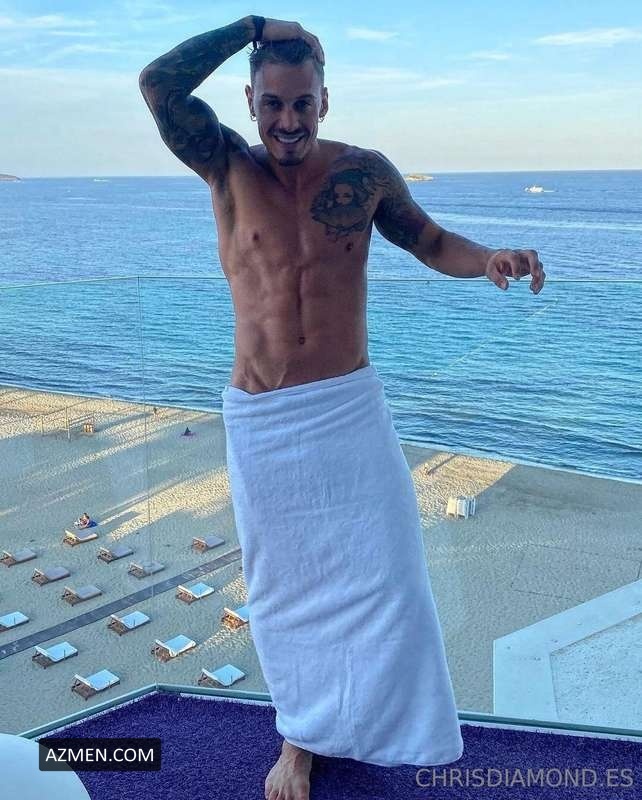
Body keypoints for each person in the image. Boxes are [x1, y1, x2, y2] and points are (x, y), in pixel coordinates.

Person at [139, 16, 546, 800]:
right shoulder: (226, 167)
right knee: (284, 593)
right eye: (272, 104)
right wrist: (252, 25)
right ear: (250, 102)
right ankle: (299, 740)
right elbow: (157, 85)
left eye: (303, 103)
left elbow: (430, 242)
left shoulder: (365, 173)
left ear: (324, 101)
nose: (288, 120)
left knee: (390, 579)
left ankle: (387, 730)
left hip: (348, 412)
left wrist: (488, 258)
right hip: (264, 420)